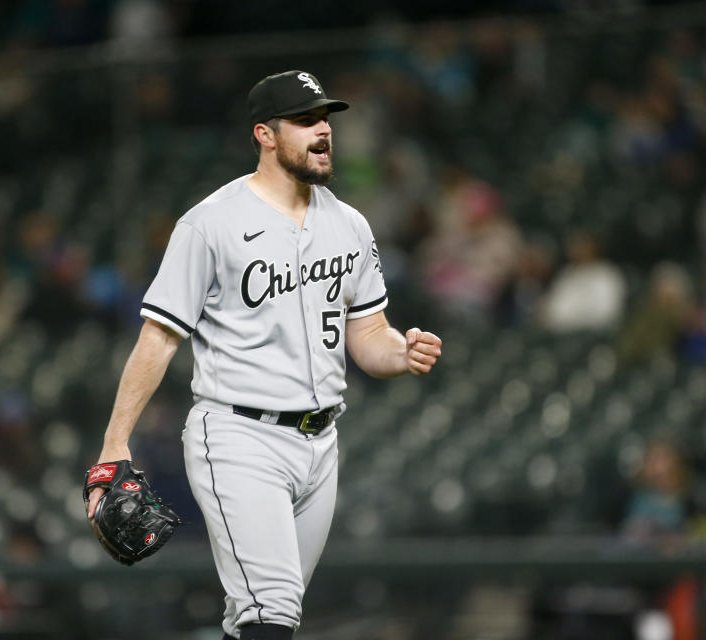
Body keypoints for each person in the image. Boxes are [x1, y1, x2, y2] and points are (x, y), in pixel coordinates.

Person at [84, 70, 442, 640]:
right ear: (265, 134)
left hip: (322, 445)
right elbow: (159, 337)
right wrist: (113, 444)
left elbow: (369, 334)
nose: (323, 130)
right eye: (305, 120)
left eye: (325, 118)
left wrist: (401, 351)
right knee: (271, 611)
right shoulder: (210, 224)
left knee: (260, 618)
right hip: (239, 437)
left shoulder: (350, 225)